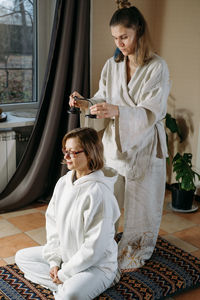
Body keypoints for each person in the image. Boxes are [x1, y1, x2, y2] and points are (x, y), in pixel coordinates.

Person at [69, 6, 170, 270]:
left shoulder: (157, 67)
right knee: (107, 197)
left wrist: (118, 111)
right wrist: (85, 103)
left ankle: (136, 250)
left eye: (124, 37)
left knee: (142, 202)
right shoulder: (112, 65)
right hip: (116, 142)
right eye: (115, 38)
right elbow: (104, 96)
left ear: (139, 32)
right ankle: (100, 244)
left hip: (146, 144)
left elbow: (152, 110)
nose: (119, 43)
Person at [15, 127, 120, 300]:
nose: (66, 157)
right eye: (66, 151)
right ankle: (63, 284)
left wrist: (64, 273)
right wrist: (55, 262)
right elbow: (53, 225)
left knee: (70, 296)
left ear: (90, 154)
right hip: (66, 256)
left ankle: (71, 285)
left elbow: (94, 249)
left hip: (96, 266)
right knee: (22, 257)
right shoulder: (64, 182)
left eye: (73, 152)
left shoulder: (100, 193)